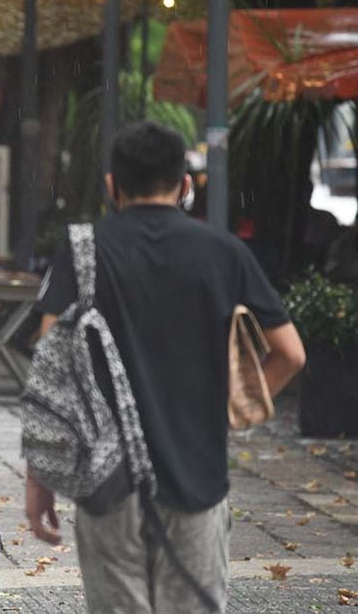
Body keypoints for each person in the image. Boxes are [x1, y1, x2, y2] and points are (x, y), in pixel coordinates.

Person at [29, 121, 307, 614]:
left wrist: (41, 480)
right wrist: (228, 415)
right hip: (198, 476)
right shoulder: (225, 252)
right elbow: (291, 353)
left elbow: (53, 372)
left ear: (112, 184)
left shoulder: (82, 248)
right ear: (185, 185)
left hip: (106, 481)